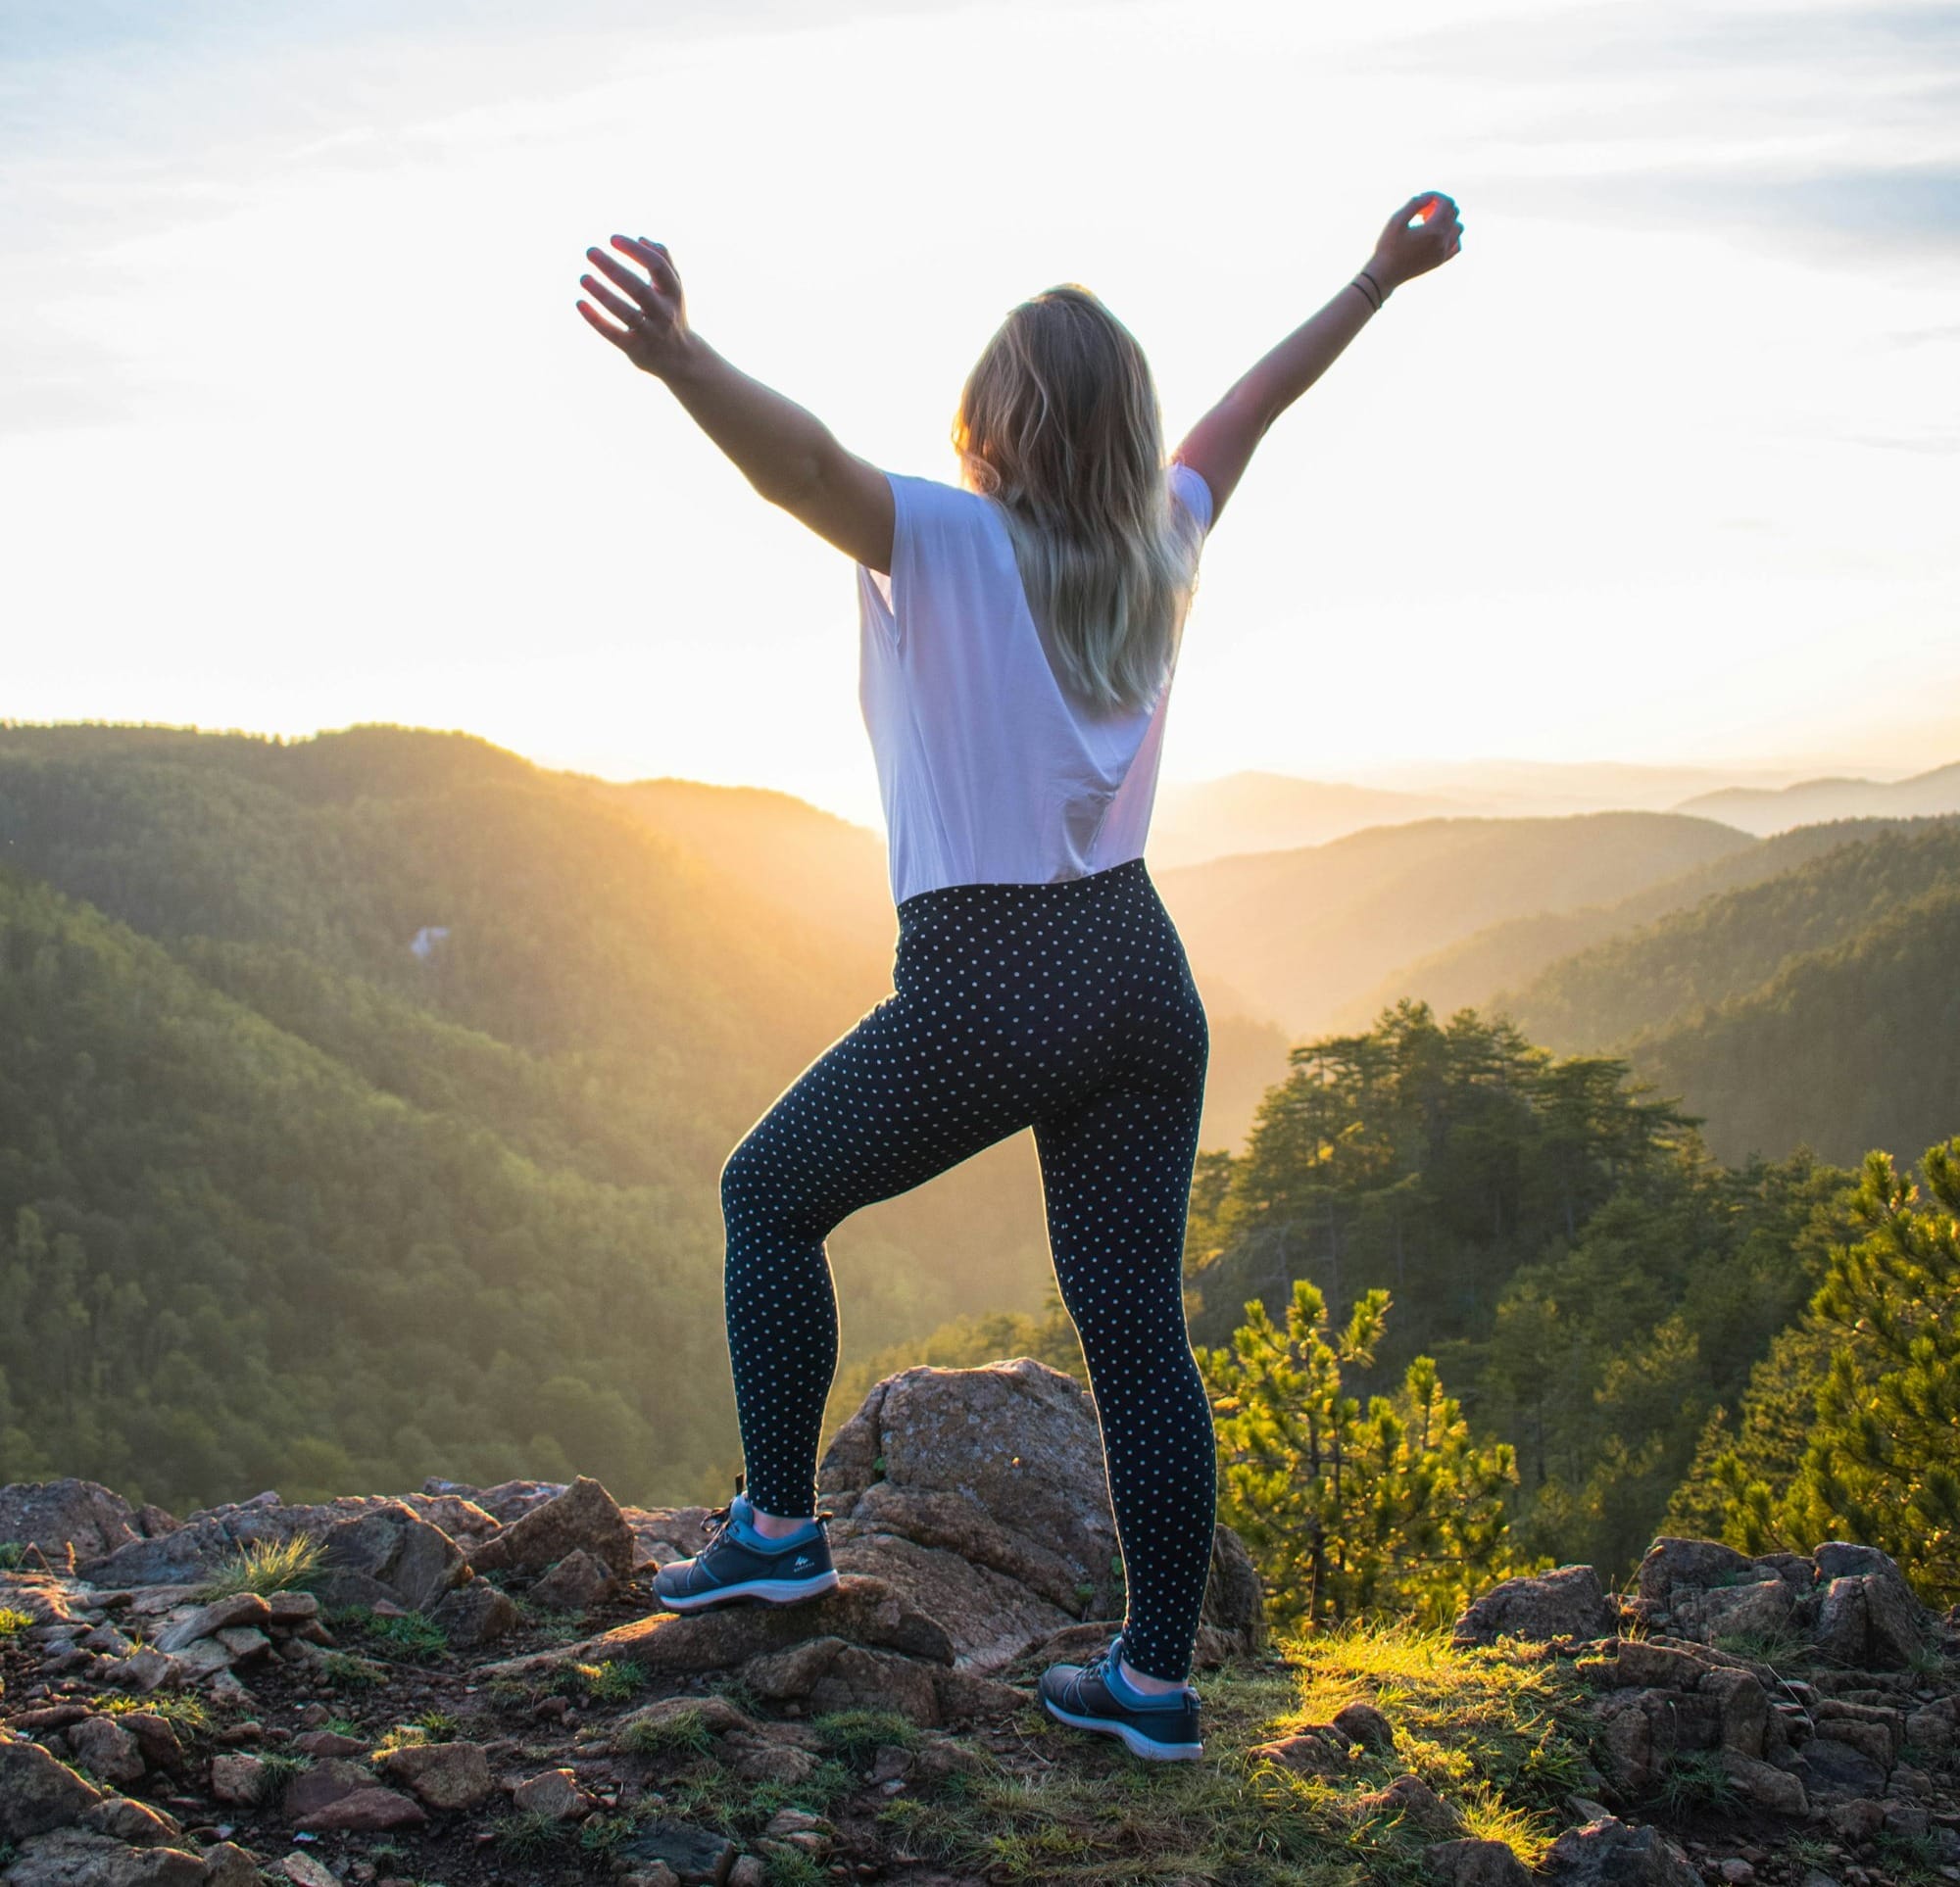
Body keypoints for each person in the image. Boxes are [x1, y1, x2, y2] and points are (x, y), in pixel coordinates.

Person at [573, 191, 1465, 1762]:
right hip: (1141, 971)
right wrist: (1374, 281)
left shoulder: (953, 535)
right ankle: (1155, 1681)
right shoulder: (1161, 537)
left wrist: (681, 358)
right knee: (1135, 1327)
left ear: (997, 418)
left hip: (993, 975)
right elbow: (1253, 405)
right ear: (1124, 429)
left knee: (767, 1195)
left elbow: (804, 467)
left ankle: (778, 1525)